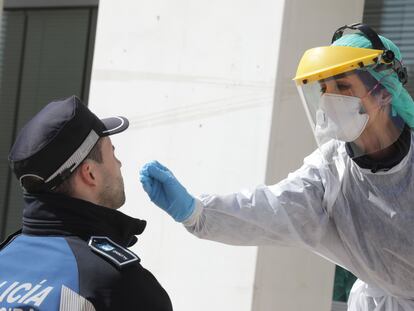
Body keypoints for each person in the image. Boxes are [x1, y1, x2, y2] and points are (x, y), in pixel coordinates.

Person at [139, 23, 414, 311]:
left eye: (343, 86)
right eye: (324, 89)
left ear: (383, 93)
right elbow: (270, 207)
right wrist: (197, 212)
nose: (330, 101)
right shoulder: (331, 172)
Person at [0, 96, 173, 310]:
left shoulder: (4, 260)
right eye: (112, 152)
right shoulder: (117, 285)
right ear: (90, 174)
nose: (119, 163)